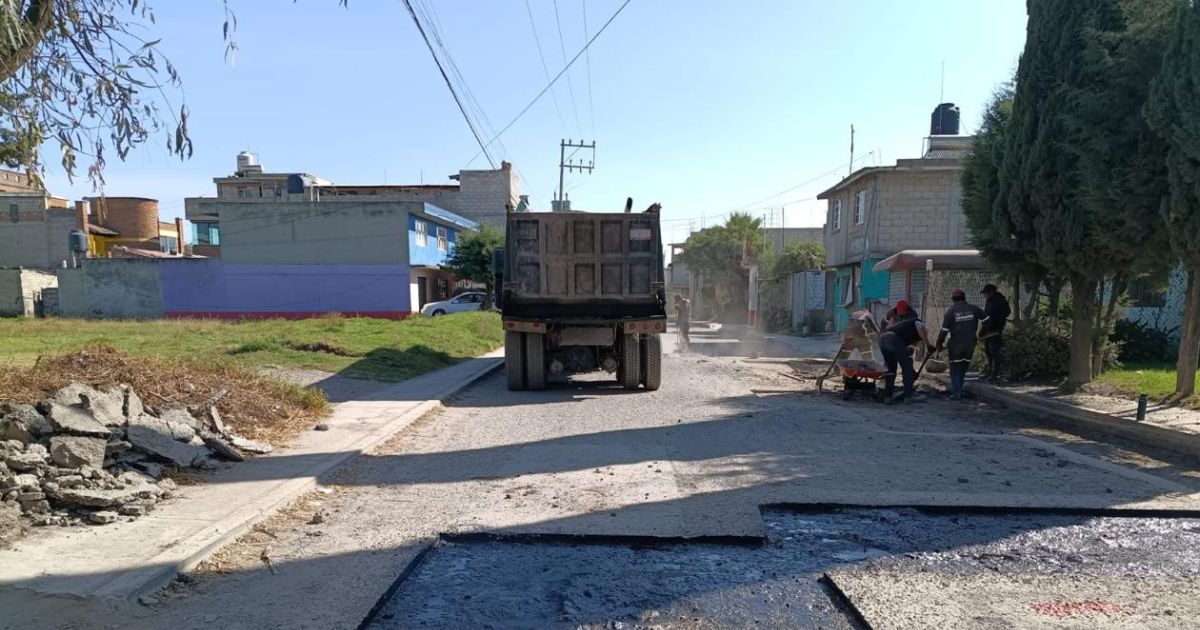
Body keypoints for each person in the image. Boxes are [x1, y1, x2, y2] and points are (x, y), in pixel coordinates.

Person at [935, 289, 987, 400]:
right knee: (964, 366)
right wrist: (982, 333)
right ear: (964, 298)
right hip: (970, 343)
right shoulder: (974, 308)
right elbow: (987, 320)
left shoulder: (950, 312)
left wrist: (939, 345)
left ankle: (957, 392)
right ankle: (959, 389)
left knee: (955, 368)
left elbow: (944, 331)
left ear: (953, 299)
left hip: (956, 345)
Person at [879, 313, 934, 403]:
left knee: (891, 369)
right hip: (892, 338)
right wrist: (928, 345)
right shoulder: (917, 322)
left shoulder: (904, 333)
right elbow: (920, 328)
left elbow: (904, 353)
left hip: (882, 340)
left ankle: (887, 397)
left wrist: (912, 371)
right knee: (907, 367)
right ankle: (909, 396)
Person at [980, 283, 1011, 380]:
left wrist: (997, 320)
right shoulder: (989, 301)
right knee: (988, 351)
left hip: (996, 329)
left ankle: (996, 373)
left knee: (994, 351)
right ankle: (990, 371)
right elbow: (987, 315)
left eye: (985, 293)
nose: (984, 295)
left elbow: (1007, 312)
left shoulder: (1001, 301)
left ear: (991, 292)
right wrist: (983, 329)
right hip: (988, 328)